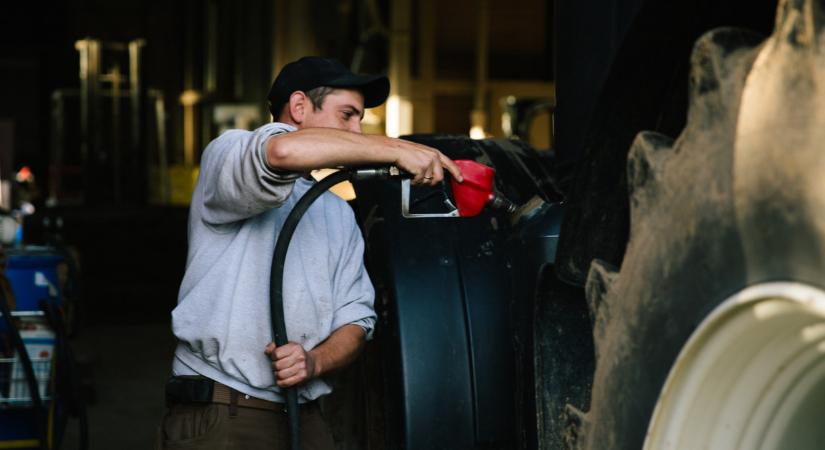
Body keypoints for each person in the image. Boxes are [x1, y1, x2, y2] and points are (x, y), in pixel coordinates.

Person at [156, 56, 463, 450]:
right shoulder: (229, 154)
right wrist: (392, 149)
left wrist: (315, 361)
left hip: (305, 415)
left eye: (361, 121)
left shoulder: (334, 211)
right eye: (348, 115)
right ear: (300, 107)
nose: (357, 130)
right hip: (223, 409)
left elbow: (357, 318)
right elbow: (281, 153)